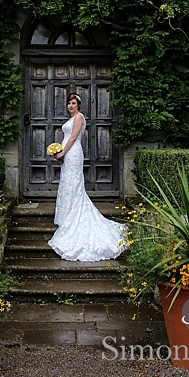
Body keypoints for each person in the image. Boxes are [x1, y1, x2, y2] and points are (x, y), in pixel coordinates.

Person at [47, 93, 127, 261]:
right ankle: (66, 217)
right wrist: (57, 151)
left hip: (73, 153)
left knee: (74, 185)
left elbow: (74, 137)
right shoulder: (70, 119)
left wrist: (63, 152)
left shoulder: (80, 117)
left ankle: (74, 219)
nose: (70, 105)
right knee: (67, 184)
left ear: (78, 105)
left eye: (73, 103)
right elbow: (66, 136)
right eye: (69, 103)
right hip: (67, 154)